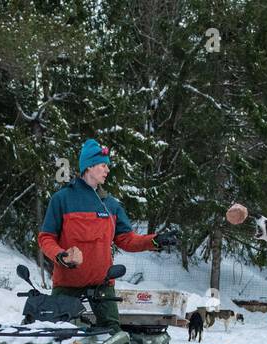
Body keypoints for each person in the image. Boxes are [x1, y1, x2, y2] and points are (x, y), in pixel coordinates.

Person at [36, 139, 178, 332]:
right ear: (89, 167)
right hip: (67, 286)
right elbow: (46, 238)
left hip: (102, 288)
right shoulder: (62, 199)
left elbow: (126, 239)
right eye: (103, 165)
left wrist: (154, 240)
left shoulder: (110, 204)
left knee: (113, 337)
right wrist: (61, 255)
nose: (107, 170)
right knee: (61, 338)